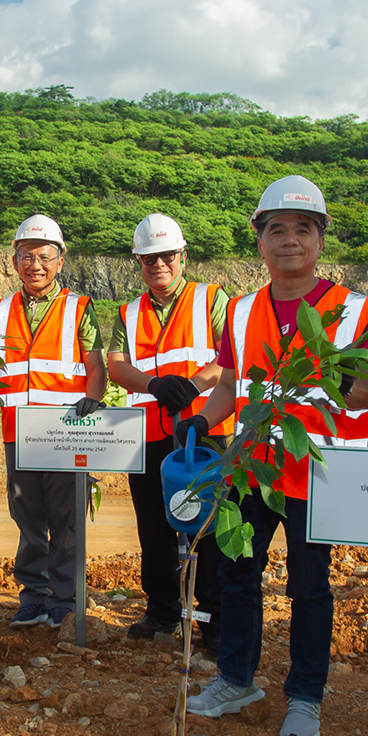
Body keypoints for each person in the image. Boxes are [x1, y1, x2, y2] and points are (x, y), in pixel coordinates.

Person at [177, 176, 368, 736]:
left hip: (319, 471)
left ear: (320, 240)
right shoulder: (241, 311)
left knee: (309, 586)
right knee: (237, 572)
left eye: (302, 229)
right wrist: (202, 416)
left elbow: (364, 393)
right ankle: (237, 678)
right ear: (260, 242)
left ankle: (306, 695)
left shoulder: (353, 310)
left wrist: (314, 366)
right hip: (252, 467)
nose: (289, 240)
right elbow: (230, 387)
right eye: (277, 230)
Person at [107, 213, 227, 655]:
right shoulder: (129, 311)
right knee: (153, 526)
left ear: (182, 256)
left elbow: (229, 358)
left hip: (204, 429)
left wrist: (195, 385)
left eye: (166, 256)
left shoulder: (211, 299)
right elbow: (118, 364)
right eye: (148, 258)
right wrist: (152, 385)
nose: (159, 264)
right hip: (149, 432)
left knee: (206, 525)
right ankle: (162, 608)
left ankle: (213, 617)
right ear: (139, 261)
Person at [0, 214, 106, 630]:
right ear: (14, 259)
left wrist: (92, 401)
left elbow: (95, 367)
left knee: (67, 519)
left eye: (44, 256)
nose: (35, 264)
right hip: (17, 434)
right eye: (26, 256)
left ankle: (64, 600)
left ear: (60, 260)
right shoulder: (0, 310)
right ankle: (34, 597)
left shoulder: (79, 307)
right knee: (28, 518)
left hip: (64, 434)